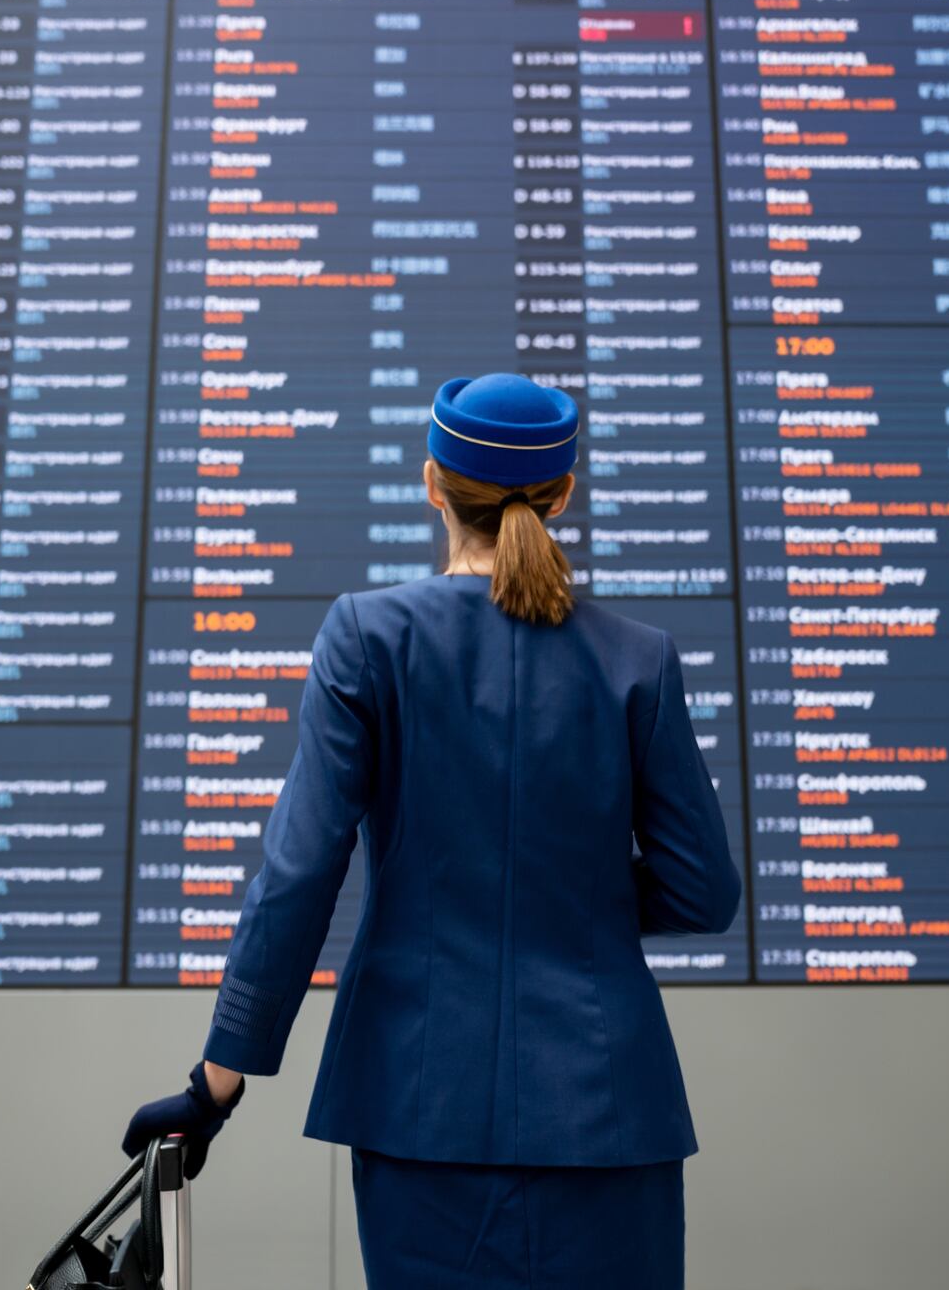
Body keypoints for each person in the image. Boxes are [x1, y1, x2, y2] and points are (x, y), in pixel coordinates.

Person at [122, 373, 741, 1289]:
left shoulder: (366, 637)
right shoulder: (638, 657)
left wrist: (215, 1085)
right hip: (611, 1112)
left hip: (418, 1109)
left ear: (432, 483)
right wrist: (578, 894)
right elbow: (704, 891)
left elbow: (297, 878)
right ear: (563, 494)